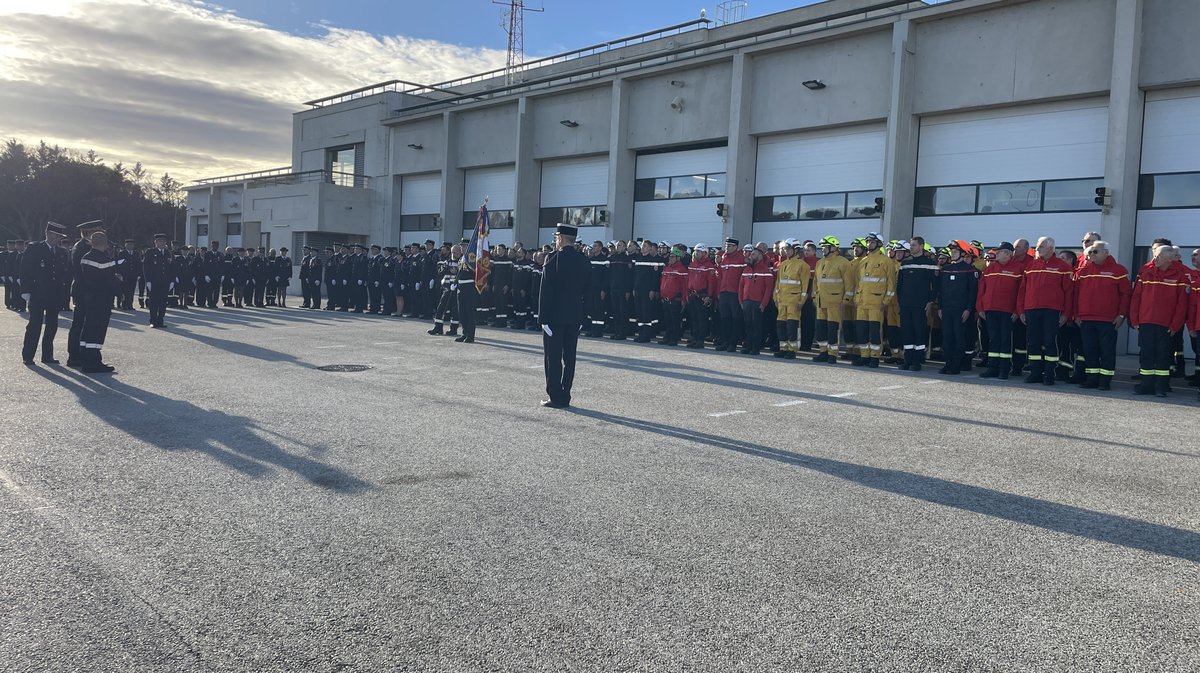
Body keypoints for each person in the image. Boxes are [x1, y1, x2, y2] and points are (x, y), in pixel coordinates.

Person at [539, 223, 590, 408]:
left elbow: (546, 291)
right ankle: (566, 394)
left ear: (560, 238)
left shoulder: (553, 258)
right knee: (570, 357)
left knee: (553, 357)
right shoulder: (583, 260)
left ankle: (555, 396)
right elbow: (588, 291)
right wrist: (584, 315)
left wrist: (542, 318)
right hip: (575, 315)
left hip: (554, 317)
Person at [1130, 244, 1189, 397]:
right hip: (1146, 322)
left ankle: (1161, 386)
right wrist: (1135, 319)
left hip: (1166, 324)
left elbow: (1181, 304)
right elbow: (1136, 297)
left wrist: (1175, 325)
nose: (1154, 259)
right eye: (1154, 255)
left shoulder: (1179, 276)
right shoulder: (1145, 272)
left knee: (1164, 356)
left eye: (1158, 256)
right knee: (1146, 355)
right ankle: (1146, 384)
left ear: (1169, 259)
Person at [1016, 236, 1075, 385]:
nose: (1037, 249)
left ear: (1050, 248)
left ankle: (1049, 374)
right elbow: (1022, 290)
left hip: (1052, 311)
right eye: (1037, 246)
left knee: (1050, 342)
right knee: (1033, 342)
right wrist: (1021, 310)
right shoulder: (1030, 266)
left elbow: (1069, 293)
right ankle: (1035, 373)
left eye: (1041, 246)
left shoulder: (1063, 267)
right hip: (1031, 309)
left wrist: (1066, 314)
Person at [1072, 241, 1130, 390]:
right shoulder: (1083, 271)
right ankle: (1092, 379)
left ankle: (1105, 381)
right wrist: (1076, 314)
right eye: (1090, 252)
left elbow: (1125, 295)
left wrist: (1122, 315)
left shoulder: (1118, 270)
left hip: (1108, 319)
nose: (1091, 254)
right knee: (1090, 350)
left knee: (1107, 351)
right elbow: (1076, 294)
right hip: (1086, 318)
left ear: (1106, 253)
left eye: (1095, 252)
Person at [19, 221, 71, 365]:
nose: (58, 238)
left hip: (54, 294)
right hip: (37, 293)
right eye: (56, 235)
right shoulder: (35, 248)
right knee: (35, 324)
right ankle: (28, 355)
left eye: (60, 236)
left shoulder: (61, 251)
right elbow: (25, 270)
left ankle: (47, 356)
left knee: (52, 325)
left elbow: (63, 274)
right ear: (47, 234)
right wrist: (25, 291)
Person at [976, 242, 1023, 380]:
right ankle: (992, 368)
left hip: (1007, 311)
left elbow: (1021, 292)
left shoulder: (1018, 269)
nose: (996, 254)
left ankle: (1004, 369)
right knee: (993, 339)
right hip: (990, 309)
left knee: (1005, 340)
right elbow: (981, 290)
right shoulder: (990, 269)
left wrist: (1016, 310)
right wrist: (981, 308)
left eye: (1000, 252)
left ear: (1008, 254)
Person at [77, 231, 120, 373]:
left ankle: (85, 358)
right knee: (97, 330)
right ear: (105, 243)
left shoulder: (85, 257)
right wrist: (119, 283)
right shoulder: (104, 259)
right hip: (102, 299)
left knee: (88, 328)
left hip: (89, 297)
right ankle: (94, 362)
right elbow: (109, 281)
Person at [935, 242, 979, 375]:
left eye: (956, 251)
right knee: (947, 337)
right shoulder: (946, 269)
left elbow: (973, 292)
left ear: (962, 253)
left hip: (961, 309)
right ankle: (948, 363)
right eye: (952, 251)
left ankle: (956, 365)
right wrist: (940, 307)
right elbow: (941, 291)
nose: (953, 253)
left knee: (959, 337)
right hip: (947, 308)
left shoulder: (970, 270)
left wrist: (968, 309)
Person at [66, 220, 104, 367]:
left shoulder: (85, 246)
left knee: (83, 324)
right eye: (98, 230)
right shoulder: (81, 247)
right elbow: (83, 272)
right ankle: (74, 355)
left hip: (86, 290)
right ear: (91, 232)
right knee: (79, 324)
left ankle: (81, 354)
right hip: (84, 290)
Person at [853, 232, 895, 368]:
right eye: (868, 242)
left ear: (879, 244)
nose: (869, 244)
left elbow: (891, 283)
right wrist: (856, 298)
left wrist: (886, 301)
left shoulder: (886, 261)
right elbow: (859, 282)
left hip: (877, 303)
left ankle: (875, 357)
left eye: (872, 242)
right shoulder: (863, 261)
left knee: (874, 331)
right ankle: (864, 356)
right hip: (862, 302)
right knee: (862, 331)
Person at [812, 237, 852, 363]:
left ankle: (833, 354)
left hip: (835, 302)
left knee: (832, 328)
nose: (823, 249)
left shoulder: (843, 262)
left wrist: (845, 299)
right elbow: (815, 283)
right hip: (820, 302)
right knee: (821, 328)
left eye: (825, 247)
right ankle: (823, 352)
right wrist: (814, 296)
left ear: (833, 248)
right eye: (822, 247)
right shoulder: (820, 263)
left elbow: (849, 284)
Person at [773, 239, 809, 359]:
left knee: (792, 326)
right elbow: (778, 283)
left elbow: (805, 287)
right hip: (782, 300)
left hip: (794, 301)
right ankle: (783, 348)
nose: (785, 251)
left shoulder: (803, 266)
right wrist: (775, 298)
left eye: (788, 249)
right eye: (784, 249)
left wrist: (801, 302)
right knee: (781, 325)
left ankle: (792, 350)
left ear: (796, 249)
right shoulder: (783, 264)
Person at [738, 246, 775, 356]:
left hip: (757, 302)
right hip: (746, 301)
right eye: (751, 254)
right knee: (748, 325)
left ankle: (756, 347)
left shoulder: (765, 270)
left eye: (753, 254)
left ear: (759, 256)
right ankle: (748, 346)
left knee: (757, 326)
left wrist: (764, 303)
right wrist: (741, 301)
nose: (750, 256)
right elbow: (740, 286)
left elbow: (769, 288)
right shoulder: (746, 269)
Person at [658, 247, 688, 346]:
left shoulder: (682, 269)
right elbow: (662, 283)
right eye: (670, 256)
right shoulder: (666, 268)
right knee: (668, 320)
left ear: (678, 258)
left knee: (675, 320)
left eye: (672, 257)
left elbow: (684, 286)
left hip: (675, 299)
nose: (670, 258)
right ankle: (667, 336)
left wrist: (684, 299)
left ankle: (674, 338)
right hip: (665, 299)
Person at [142, 234, 172, 328]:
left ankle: (160, 320)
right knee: (154, 302)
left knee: (163, 302)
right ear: (155, 242)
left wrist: (172, 281)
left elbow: (172, 267)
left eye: (163, 241)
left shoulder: (168, 252)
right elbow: (146, 267)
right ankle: (153, 321)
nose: (161, 243)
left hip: (165, 282)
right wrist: (148, 281)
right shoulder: (150, 252)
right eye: (159, 241)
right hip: (154, 282)